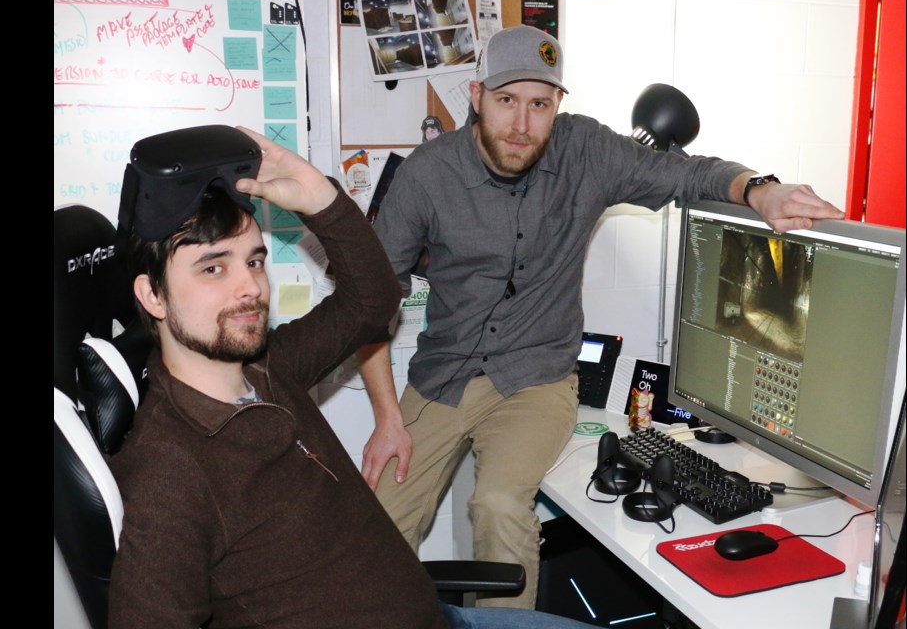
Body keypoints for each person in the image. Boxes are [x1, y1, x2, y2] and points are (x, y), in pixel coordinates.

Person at [356, 25, 845, 609]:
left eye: (540, 104)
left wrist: (759, 190)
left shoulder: (585, 149)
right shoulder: (427, 174)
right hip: (442, 379)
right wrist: (387, 418)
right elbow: (370, 304)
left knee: (500, 506)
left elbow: (688, 173)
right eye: (507, 100)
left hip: (535, 381)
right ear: (476, 93)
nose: (521, 124)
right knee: (373, 530)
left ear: (558, 105)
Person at [107, 124, 597, 629]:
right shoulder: (169, 471)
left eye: (254, 261)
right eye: (213, 269)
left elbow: (372, 301)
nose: (249, 288)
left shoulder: (267, 371)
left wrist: (319, 196)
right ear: (152, 296)